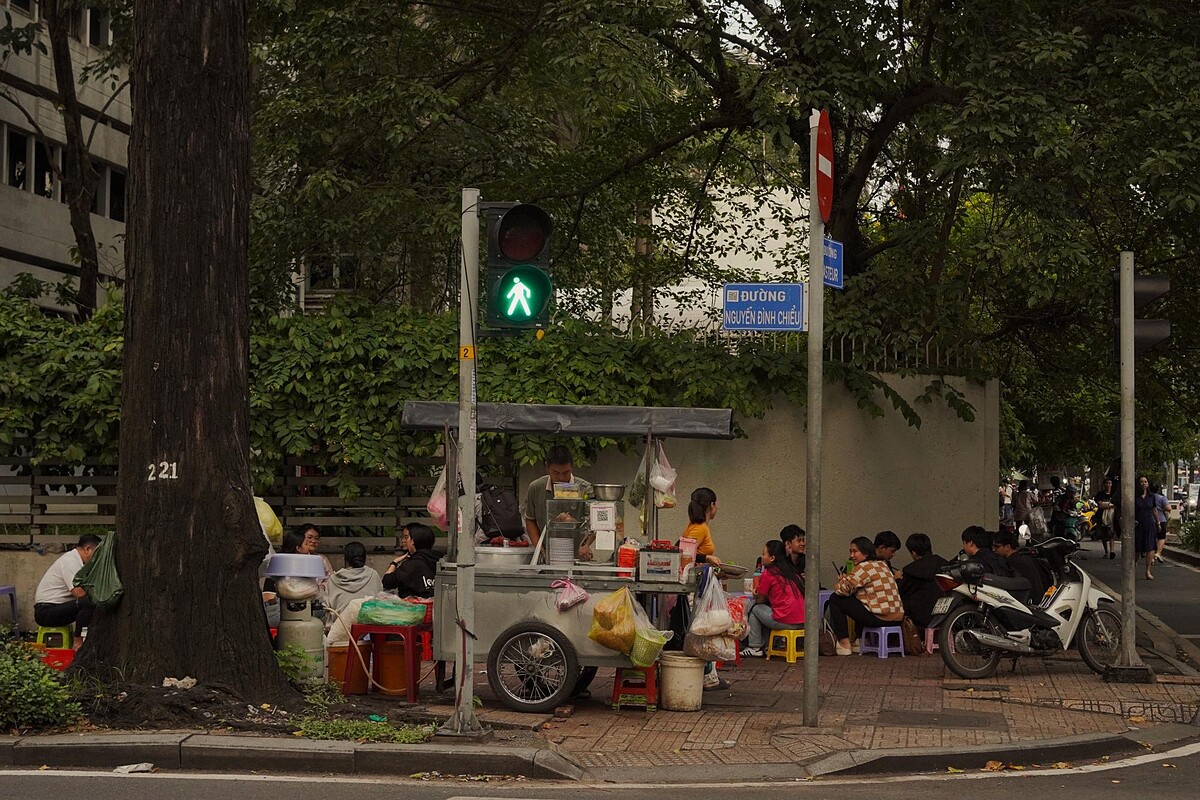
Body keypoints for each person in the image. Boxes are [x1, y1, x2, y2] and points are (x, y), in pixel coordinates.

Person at [827, 536, 905, 656]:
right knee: (862, 599)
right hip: (896, 618)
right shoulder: (882, 564)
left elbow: (842, 590)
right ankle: (861, 641)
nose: (851, 555)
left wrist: (842, 582)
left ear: (866, 553)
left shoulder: (864, 567)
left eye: (855, 551)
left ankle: (844, 643)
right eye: (850, 551)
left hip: (880, 617)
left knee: (835, 598)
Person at [740, 541, 805, 658]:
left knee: (753, 606)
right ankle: (765, 646)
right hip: (802, 621)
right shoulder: (792, 572)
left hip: (785, 620)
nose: (761, 557)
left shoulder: (769, 573)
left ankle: (754, 646)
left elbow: (760, 599)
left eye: (764, 554)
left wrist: (755, 594)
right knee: (761, 610)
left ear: (772, 558)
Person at [34, 534, 101, 639]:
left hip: (57, 607)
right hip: (46, 611)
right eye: (97, 554)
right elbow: (79, 593)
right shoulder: (70, 561)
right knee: (87, 602)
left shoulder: (78, 562)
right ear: (88, 549)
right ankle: (78, 640)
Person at [522, 445, 591, 544]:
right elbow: (530, 519)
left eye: (565, 473)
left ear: (572, 467)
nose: (561, 478)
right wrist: (539, 548)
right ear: (547, 467)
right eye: (556, 473)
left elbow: (594, 523)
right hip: (547, 549)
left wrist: (585, 545)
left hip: (576, 550)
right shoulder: (536, 487)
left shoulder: (585, 488)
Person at [896, 533, 949, 628]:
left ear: (914, 552)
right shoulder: (944, 564)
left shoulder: (911, 570)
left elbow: (901, 590)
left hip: (920, 615)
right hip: (944, 614)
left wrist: (897, 579)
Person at [382, 523, 443, 598]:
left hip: (415, 607)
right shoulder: (440, 560)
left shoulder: (411, 565)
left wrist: (394, 562)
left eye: (406, 537)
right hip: (438, 606)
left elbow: (387, 582)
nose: (403, 540)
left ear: (414, 540)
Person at [323, 541, 383, 615]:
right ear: (364, 557)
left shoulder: (333, 579)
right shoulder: (373, 575)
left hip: (340, 624)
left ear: (346, 559)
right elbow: (380, 600)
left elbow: (326, 605)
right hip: (367, 623)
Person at [992, 529, 1049, 605]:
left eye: (997, 546)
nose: (994, 549)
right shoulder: (1024, 558)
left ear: (1008, 547)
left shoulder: (1013, 563)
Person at [1134, 475, 1159, 579]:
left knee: (1150, 547)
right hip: (1138, 523)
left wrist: (1158, 522)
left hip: (1149, 522)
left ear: (1148, 484)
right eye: (1141, 482)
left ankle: (1148, 571)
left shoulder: (1152, 497)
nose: (1143, 483)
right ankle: (1132, 568)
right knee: (1137, 548)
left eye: (1145, 481)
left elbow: (1154, 510)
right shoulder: (1135, 497)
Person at [1094, 478, 1119, 559]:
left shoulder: (1114, 494)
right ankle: (1106, 552)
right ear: (1104, 485)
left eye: (1110, 483)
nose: (1108, 485)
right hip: (1101, 517)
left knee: (1111, 533)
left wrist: (1107, 506)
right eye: (1107, 483)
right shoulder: (1100, 495)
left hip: (1112, 516)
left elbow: (1117, 504)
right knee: (1103, 535)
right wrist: (1111, 506)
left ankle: (1112, 551)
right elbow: (1100, 506)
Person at [1152, 482, 1170, 564]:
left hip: (1150, 520)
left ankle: (1151, 556)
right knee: (1161, 537)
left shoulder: (1148, 497)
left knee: (1151, 538)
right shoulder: (1162, 498)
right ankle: (1158, 553)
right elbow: (1168, 508)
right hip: (1161, 519)